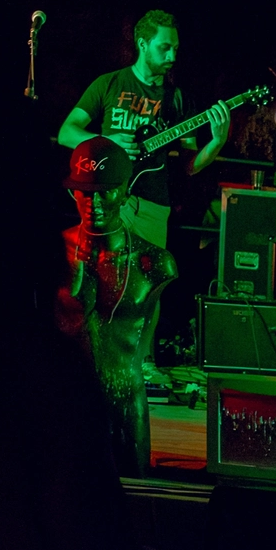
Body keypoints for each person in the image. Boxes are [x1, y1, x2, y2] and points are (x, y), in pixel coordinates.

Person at [56, 136, 179, 478]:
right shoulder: (53, 254)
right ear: (72, 192)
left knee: (131, 509)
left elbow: (140, 342)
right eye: (84, 191)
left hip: (125, 404)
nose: (93, 201)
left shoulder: (154, 264)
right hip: (63, 403)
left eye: (105, 191)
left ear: (125, 192)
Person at [57, 9, 230, 248]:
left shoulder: (180, 100)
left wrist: (216, 143)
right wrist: (108, 143)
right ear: (142, 44)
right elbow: (67, 133)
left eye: (176, 48)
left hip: (154, 208)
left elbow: (189, 166)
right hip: (107, 201)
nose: (172, 56)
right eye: (164, 47)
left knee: (148, 282)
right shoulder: (109, 84)